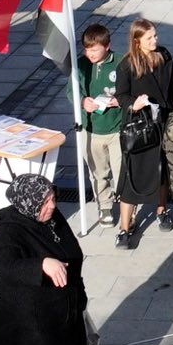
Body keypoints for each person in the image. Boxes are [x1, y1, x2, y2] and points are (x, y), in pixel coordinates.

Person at [0, 173, 88, 345]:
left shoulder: (53, 218)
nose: (52, 205)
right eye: (44, 201)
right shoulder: (10, 233)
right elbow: (5, 266)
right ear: (28, 203)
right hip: (34, 330)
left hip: (65, 319)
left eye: (53, 198)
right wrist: (41, 264)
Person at [115, 20, 173, 244]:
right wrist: (134, 103)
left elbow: (170, 91)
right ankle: (124, 228)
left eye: (155, 36)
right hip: (138, 128)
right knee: (131, 174)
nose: (155, 41)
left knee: (162, 170)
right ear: (136, 40)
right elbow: (120, 96)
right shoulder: (126, 65)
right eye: (149, 38)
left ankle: (162, 211)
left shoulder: (164, 56)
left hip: (161, 123)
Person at [76, 24, 124, 235]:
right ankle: (105, 206)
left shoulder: (122, 63)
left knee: (121, 170)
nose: (90, 54)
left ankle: (125, 204)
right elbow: (72, 91)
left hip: (116, 128)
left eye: (94, 49)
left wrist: (118, 101)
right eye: (87, 49)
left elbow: (131, 90)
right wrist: (82, 101)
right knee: (97, 171)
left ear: (107, 46)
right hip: (92, 129)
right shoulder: (80, 65)